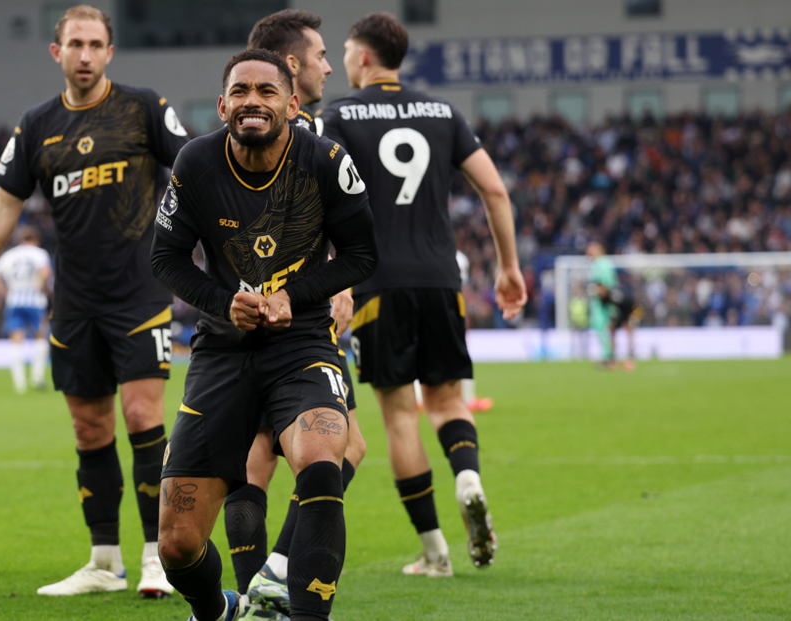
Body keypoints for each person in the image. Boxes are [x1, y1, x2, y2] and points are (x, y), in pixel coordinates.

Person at [0, 5, 188, 598]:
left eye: (95, 44)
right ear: (55, 53)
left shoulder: (143, 108)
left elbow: (195, 167)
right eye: (74, 45)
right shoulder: (37, 126)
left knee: (142, 416)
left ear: (110, 52)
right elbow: (5, 204)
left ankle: (159, 556)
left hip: (139, 291)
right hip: (75, 302)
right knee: (88, 428)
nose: (85, 55)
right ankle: (104, 562)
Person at [151, 48, 378, 621]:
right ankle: (220, 609)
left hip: (302, 342)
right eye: (242, 91)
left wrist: (292, 297)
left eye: (267, 91)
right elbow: (166, 257)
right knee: (177, 545)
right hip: (221, 351)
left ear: (293, 104)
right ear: (224, 103)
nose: (253, 101)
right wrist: (223, 304)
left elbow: (362, 253)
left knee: (324, 458)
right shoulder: (195, 162)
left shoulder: (325, 159)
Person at [320, 13, 527, 574]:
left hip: (378, 284)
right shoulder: (443, 112)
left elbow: (319, 198)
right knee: (448, 401)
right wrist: (508, 267)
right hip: (441, 278)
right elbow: (495, 190)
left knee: (400, 417)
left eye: (344, 52)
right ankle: (468, 477)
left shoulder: (338, 114)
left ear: (362, 57)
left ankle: (435, 551)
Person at [221, 12, 367, 617]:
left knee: (264, 448)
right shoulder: (299, 131)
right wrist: (326, 287)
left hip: (246, 315)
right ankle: (274, 575)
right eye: (320, 55)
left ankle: (262, 581)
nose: (329, 65)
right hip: (290, 319)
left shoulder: (240, 129)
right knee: (343, 447)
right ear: (291, 66)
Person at [0, 226, 53, 393]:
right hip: (35, 300)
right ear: (35, 240)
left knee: (16, 340)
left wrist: (5, 292)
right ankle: (37, 378)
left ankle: (19, 384)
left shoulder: (10, 254)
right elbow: (45, 272)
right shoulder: (39, 253)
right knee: (40, 337)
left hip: (14, 300)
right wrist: (41, 286)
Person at [586, 242, 640, 370]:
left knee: (609, 328)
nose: (587, 253)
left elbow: (604, 286)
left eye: (590, 249)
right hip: (609, 303)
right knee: (610, 329)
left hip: (610, 304)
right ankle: (612, 358)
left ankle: (612, 358)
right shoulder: (600, 264)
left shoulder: (602, 264)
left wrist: (594, 290)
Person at [457, 250, 493, 412]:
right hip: (449, 312)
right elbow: (460, 290)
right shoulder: (457, 257)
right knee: (460, 353)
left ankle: (419, 398)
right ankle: (466, 398)